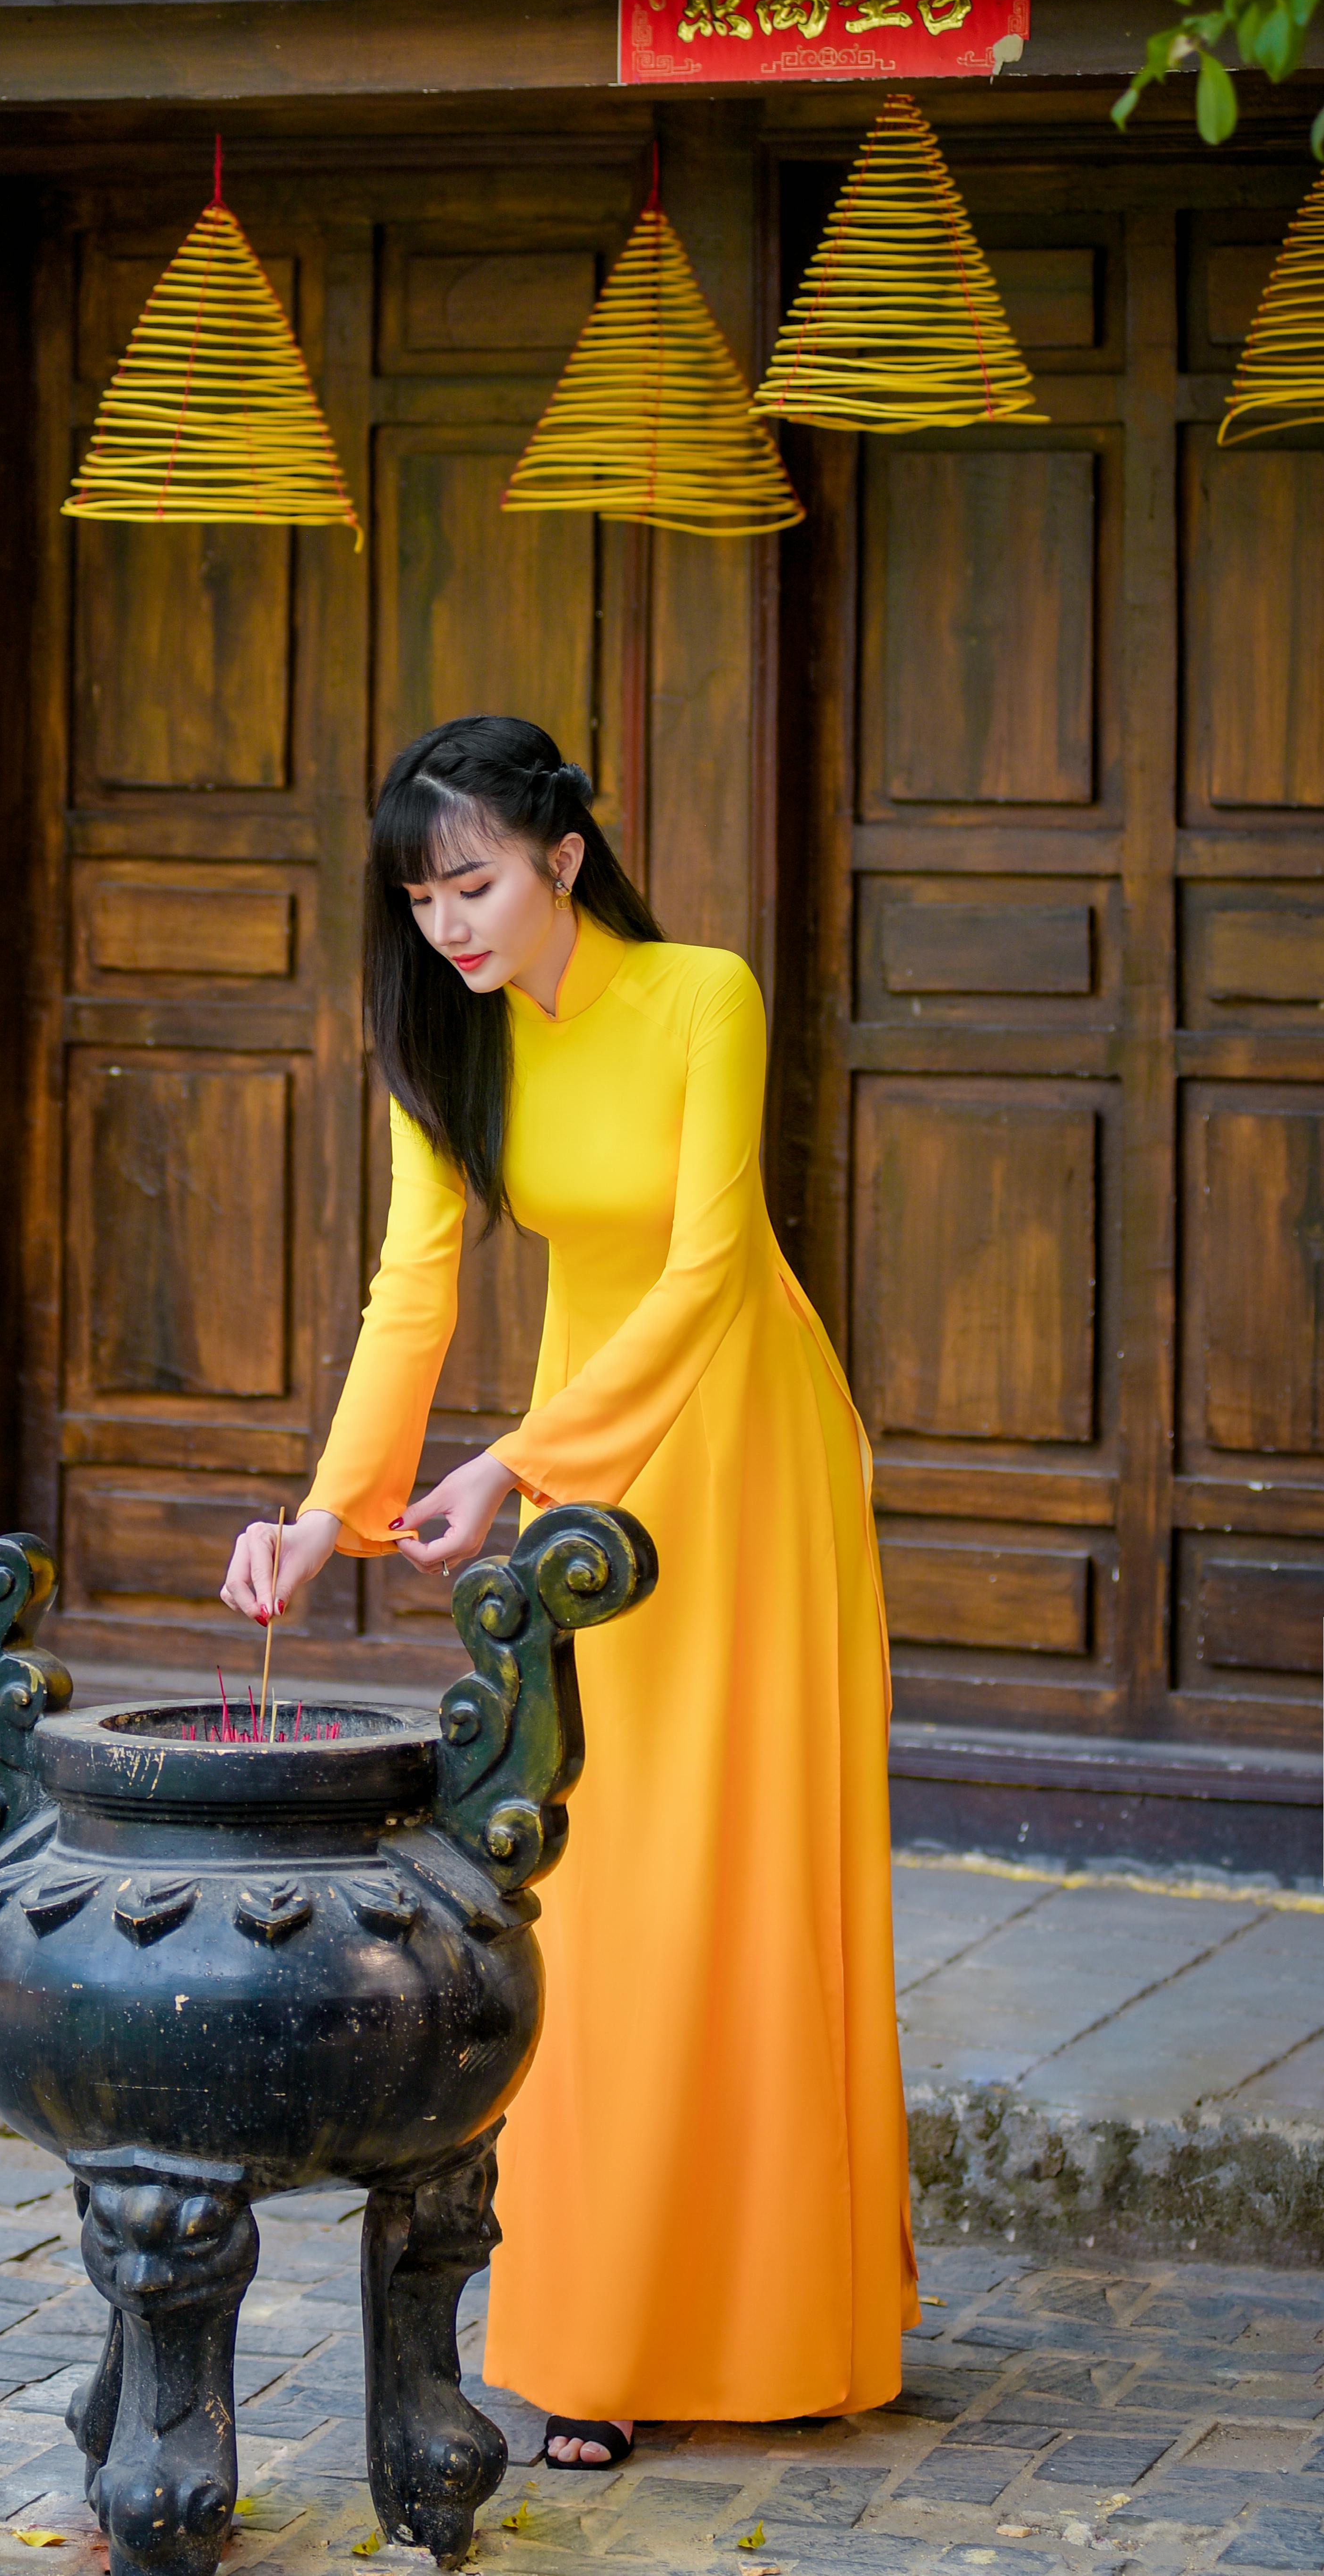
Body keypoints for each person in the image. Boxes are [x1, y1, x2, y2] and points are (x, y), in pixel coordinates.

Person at [221, 714, 917, 2467]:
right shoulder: (446, 1048)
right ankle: (596, 2337)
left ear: (561, 861)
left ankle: (781, 2319)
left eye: (473, 883)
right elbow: (411, 1290)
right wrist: (330, 1515)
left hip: (740, 1453)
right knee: (587, 1890)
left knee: (738, 1881)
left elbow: (704, 1272)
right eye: (421, 894)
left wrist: (522, 1463)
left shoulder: (705, 997)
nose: (447, 923)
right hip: (581, 1470)